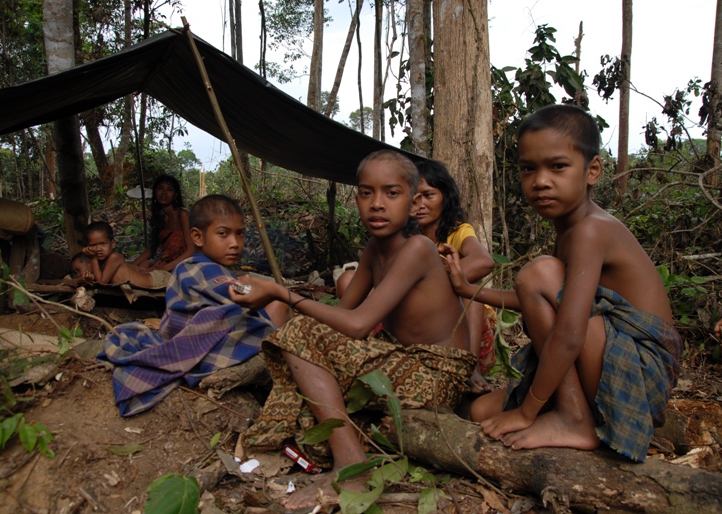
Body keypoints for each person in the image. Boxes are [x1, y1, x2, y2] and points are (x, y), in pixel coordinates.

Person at [228, 150, 477, 510]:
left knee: (300, 335)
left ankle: (353, 467)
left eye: (391, 193)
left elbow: (358, 325)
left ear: (412, 202)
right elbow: (341, 316)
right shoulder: (375, 250)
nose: (377, 204)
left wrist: (282, 292)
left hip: (436, 373)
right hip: (401, 364)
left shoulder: (419, 248)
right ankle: (341, 453)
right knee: (308, 416)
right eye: (366, 193)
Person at [443, 104, 682, 463]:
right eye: (528, 169)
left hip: (639, 373)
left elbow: (569, 331)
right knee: (481, 413)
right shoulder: (570, 229)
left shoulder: (591, 230)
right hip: (604, 361)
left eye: (557, 166)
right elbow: (539, 300)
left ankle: (573, 418)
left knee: (539, 272)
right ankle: (572, 413)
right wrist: (468, 290)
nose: (540, 180)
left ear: (593, 171)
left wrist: (527, 413)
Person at [98, 194, 288, 416]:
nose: (235, 243)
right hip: (199, 346)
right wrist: (275, 290)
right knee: (278, 304)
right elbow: (234, 291)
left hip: (208, 339)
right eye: (223, 234)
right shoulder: (194, 267)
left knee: (274, 307)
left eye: (240, 234)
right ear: (197, 237)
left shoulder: (212, 267)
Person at [415, 159, 496, 392]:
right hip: (423, 325)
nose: (420, 204)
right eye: (414, 197)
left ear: (445, 198)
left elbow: (483, 261)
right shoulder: (405, 238)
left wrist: (434, 284)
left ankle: (467, 366)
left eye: (429, 195)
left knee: (471, 282)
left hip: (471, 335)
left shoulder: (458, 232)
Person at [132, 174, 195, 272]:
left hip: (181, 265)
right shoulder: (160, 217)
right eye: (160, 188)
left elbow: (191, 249)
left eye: (169, 190)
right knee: (140, 266)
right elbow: (151, 249)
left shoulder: (182, 214)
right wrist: (131, 265)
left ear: (175, 194)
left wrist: (165, 268)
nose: (164, 193)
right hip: (163, 263)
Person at [82, 221, 171, 289]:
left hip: (157, 281)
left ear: (112, 243)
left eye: (102, 244)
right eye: (94, 245)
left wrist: (93, 258)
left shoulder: (114, 257)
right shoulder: (100, 262)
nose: (98, 249)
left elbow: (102, 282)